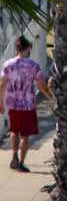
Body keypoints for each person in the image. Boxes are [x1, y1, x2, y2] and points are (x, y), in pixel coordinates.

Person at [1, 39, 49, 173]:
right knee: (25, 135)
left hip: (13, 105)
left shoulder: (8, 65)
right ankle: (21, 163)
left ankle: (14, 156)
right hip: (27, 105)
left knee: (14, 131)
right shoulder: (33, 66)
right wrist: (50, 95)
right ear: (27, 48)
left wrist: (0, 102)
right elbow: (41, 85)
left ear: (16, 49)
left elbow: (2, 84)